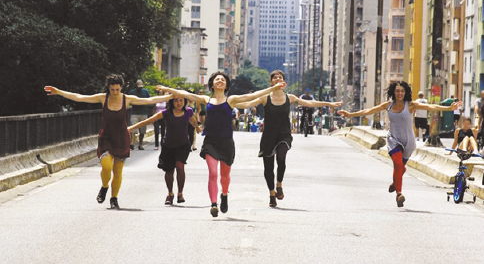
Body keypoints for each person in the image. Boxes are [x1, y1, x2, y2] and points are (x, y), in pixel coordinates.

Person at [157, 71, 285, 217]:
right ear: (212, 84)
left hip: (226, 143)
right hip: (210, 141)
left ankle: (224, 194)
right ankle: (213, 204)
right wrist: (169, 90)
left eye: (222, 79)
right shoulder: (206, 99)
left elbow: (253, 95)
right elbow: (186, 95)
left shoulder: (231, 100)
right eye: (217, 79)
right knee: (213, 173)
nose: (219, 81)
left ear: (226, 84)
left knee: (225, 175)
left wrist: (273, 88)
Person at [44, 75, 171, 209]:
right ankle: (104, 186)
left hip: (121, 137)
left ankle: (114, 198)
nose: (115, 92)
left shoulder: (127, 99)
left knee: (118, 171)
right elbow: (79, 97)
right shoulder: (102, 97)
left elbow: (150, 100)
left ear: (121, 88)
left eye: (117, 89)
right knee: (106, 165)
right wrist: (58, 92)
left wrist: (170, 96)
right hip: (106, 136)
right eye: (112, 89)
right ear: (108, 88)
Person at [338, 81, 461, 208]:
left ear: (405, 92)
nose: (400, 93)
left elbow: (430, 107)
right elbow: (370, 110)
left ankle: (395, 183)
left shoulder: (410, 105)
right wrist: (350, 115)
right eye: (397, 91)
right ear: (393, 92)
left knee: (401, 168)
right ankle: (399, 194)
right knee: (397, 164)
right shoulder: (388, 105)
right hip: (393, 139)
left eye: (402, 91)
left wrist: (448, 109)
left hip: (409, 141)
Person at [237, 70, 343, 207]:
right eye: (274, 78)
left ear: (284, 82)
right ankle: (271, 193)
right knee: (268, 168)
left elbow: (309, 103)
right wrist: (231, 104)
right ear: (271, 83)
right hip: (268, 136)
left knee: (281, 157)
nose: (277, 79)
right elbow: (247, 104)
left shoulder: (290, 98)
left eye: (280, 77)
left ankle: (279, 184)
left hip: (284, 134)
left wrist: (329, 104)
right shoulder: (265, 98)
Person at [128, 96, 200, 205]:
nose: (179, 103)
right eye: (176, 100)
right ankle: (170, 193)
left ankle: (180, 193)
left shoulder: (188, 111)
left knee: (180, 166)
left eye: (181, 100)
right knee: (169, 171)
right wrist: (131, 128)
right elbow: (149, 120)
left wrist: (198, 128)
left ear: (185, 101)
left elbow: (193, 121)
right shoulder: (166, 113)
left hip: (183, 145)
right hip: (168, 145)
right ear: (171, 102)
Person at [129, 79, 151, 150]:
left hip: (143, 112)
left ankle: (140, 144)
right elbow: (130, 101)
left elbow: (149, 101)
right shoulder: (132, 92)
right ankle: (131, 143)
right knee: (133, 128)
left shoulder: (146, 92)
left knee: (142, 130)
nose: (140, 88)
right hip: (134, 112)